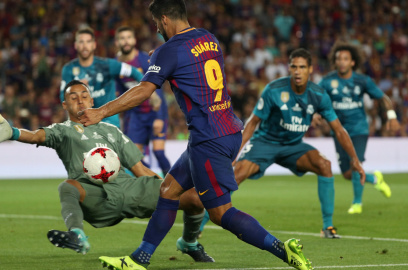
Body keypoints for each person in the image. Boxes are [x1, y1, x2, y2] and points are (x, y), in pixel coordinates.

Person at [78, 1, 313, 269]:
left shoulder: (170, 50)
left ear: (164, 19)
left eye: (157, 25)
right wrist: (164, 54)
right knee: (168, 190)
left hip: (209, 139)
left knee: (221, 213)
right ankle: (138, 259)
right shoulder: (208, 38)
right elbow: (188, 60)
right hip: (226, 129)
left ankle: (284, 251)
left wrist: (101, 112)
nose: (157, 29)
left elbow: (144, 91)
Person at [0, 80, 214, 262]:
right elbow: (37, 135)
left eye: (84, 96)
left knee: (194, 199)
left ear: (91, 101)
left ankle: (189, 244)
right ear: (65, 105)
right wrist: (15, 133)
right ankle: (77, 236)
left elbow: (140, 169)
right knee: (67, 187)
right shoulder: (63, 131)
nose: (80, 101)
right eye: (73, 97)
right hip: (97, 197)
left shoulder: (112, 131)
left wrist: (166, 189)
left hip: (130, 189)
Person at [234, 48, 366, 240]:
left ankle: (328, 227)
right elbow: (252, 122)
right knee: (235, 175)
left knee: (324, 165)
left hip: (293, 146)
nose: (297, 71)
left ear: (310, 69)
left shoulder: (318, 95)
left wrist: (354, 159)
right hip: (265, 142)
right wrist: (233, 153)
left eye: (302, 67)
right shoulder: (274, 89)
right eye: (294, 67)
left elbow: (339, 130)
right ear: (289, 68)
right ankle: (199, 226)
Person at [317, 41, 400, 214]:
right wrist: (315, 114)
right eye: (339, 59)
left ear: (352, 62)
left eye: (345, 59)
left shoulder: (362, 80)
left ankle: (357, 203)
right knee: (347, 174)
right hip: (338, 130)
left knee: (356, 164)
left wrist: (391, 116)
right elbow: (316, 100)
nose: (341, 62)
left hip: (358, 129)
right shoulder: (328, 81)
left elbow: (383, 98)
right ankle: (375, 179)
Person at [60, 27, 147, 128]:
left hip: (108, 123)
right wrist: (76, 89)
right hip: (83, 124)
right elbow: (63, 98)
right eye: (81, 42)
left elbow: (134, 72)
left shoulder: (107, 65)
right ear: (76, 45)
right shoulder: (69, 69)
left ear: (94, 45)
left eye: (88, 42)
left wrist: (147, 90)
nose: (84, 46)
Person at [114, 26, 171, 177]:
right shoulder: (116, 65)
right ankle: (155, 182)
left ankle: (173, 186)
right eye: (122, 38)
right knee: (134, 158)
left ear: (134, 40)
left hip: (154, 111)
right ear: (117, 42)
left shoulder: (144, 60)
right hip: (136, 115)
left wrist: (159, 116)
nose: (126, 41)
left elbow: (157, 88)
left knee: (158, 152)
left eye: (128, 37)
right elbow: (120, 92)